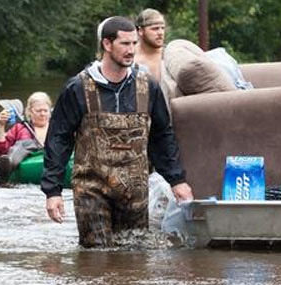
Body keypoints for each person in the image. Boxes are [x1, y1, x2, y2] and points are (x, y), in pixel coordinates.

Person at [42, 16, 193, 247]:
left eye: (134, 43)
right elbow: (58, 140)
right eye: (124, 44)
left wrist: (177, 180)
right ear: (106, 44)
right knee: (97, 259)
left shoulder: (148, 87)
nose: (131, 50)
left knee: (132, 261)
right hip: (91, 190)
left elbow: (162, 137)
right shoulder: (78, 88)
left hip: (135, 193)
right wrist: (52, 191)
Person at [0, 92, 52, 184]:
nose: (42, 114)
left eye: (45, 111)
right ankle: (7, 169)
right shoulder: (19, 128)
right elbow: (1, 152)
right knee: (25, 144)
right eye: (38, 111)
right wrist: (1, 126)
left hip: (51, 156)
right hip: (26, 158)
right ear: (29, 112)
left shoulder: (58, 128)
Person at [134, 8, 166, 81]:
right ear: (141, 31)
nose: (160, 33)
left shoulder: (169, 56)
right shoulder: (129, 56)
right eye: (155, 29)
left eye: (162, 28)